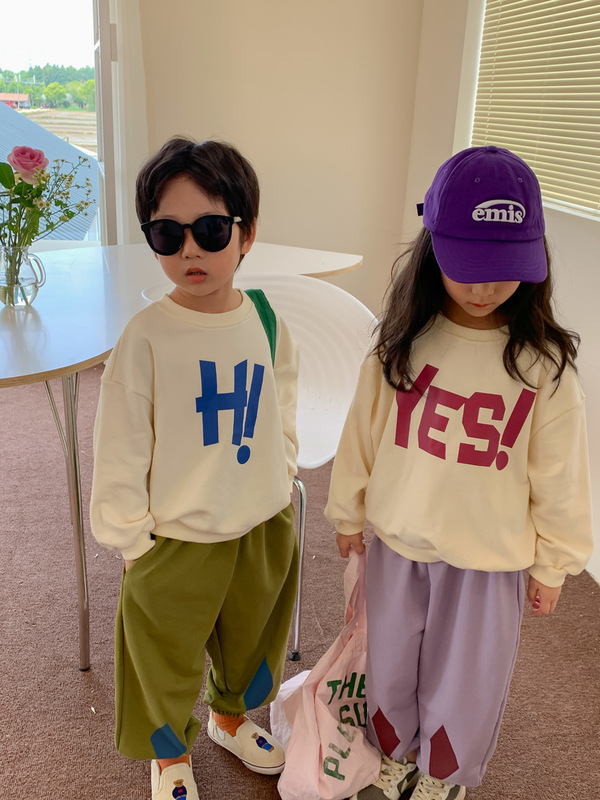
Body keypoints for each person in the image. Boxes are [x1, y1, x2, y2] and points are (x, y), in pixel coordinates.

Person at [325, 145, 593, 800]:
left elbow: (562, 476)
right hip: (398, 545)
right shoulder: (401, 345)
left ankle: (443, 776)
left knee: (467, 680)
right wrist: (347, 512)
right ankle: (393, 754)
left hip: (488, 562)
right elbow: (361, 436)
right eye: (468, 267)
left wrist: (555, 563)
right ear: (433, 250)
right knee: (391, 663)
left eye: (503, 269)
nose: (483, 287)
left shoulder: (543, 368)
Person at [90, 137, 300, 800]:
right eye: (167, 233)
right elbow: (120, 443)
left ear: (247, 233)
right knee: (164, 652)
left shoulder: (265, 319)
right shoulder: (146, 336)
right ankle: (170, 752)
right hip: (176, 534)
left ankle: (229, 718)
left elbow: (282, 401)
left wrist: (281, 471)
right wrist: (130, 538)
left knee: (252, 638)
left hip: (259, 522)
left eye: (210, 230)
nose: (190, 250)